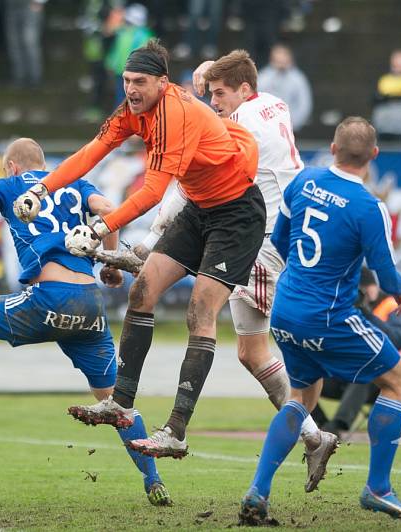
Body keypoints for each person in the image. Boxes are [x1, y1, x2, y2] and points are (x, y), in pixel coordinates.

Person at [14, 40, 264, 459]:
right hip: (200, 209)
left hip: (236, 215)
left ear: (162, 83)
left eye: (140, 82)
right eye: (127, 80)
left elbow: (151, 192)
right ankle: (121, 403)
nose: (131, 89)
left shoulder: (175, 113)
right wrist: (43, 187)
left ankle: (177, 431)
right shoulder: (134, 108)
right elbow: (93, 151)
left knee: (200, 309)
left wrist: (100, 229)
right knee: (142, 289)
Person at [122, 49, 338, 490]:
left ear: (243, 91)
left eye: (221, 93)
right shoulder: (273, 102)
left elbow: (184, 182)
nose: (215, 100)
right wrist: (210, 72)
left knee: (250, 339)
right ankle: (315, 436)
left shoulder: (239, 128)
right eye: (212, 93)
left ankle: (314, 424)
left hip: (263, 241)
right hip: (282, 234)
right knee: (250, 352)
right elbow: (239, 68)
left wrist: (147, 242)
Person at [0, 138, 172, 506]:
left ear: (12, 167)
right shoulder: (77, 185)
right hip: (89, 305)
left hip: (48, 300)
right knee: (116, 403)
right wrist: (112, 263)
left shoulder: (11, 186)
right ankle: (154, 481)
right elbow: (110, 211)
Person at [238, 117, 401, 524]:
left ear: (333, 148)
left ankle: (258, 491)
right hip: (328, 317)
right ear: (374, 156)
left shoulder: (303, 182)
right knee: (400, 380)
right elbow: (386, 275)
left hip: (285, 310)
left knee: (301, 398)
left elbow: (281, 242)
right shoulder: (370, 207)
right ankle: (378, 488)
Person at [311, 267, 401, 436]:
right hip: (343, 373)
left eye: (363, 289)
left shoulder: (390, 305)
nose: (360, 293)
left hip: (385, 379)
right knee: (303, 375)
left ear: (373, 287)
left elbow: (398, 339)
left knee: (365, 374)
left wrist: (366, 313)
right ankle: (320, 426)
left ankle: (338, 426)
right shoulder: (341, 305)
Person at [257, 44, 312, 132]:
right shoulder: (263, 78)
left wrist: (293, 125)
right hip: (265, 128)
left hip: (291, 128)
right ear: (272, 59)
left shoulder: (298, 79)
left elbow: (304, 104)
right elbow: (255, 102)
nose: (281, 62)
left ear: (290, 59)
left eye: (283, 58)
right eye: (278, 60)